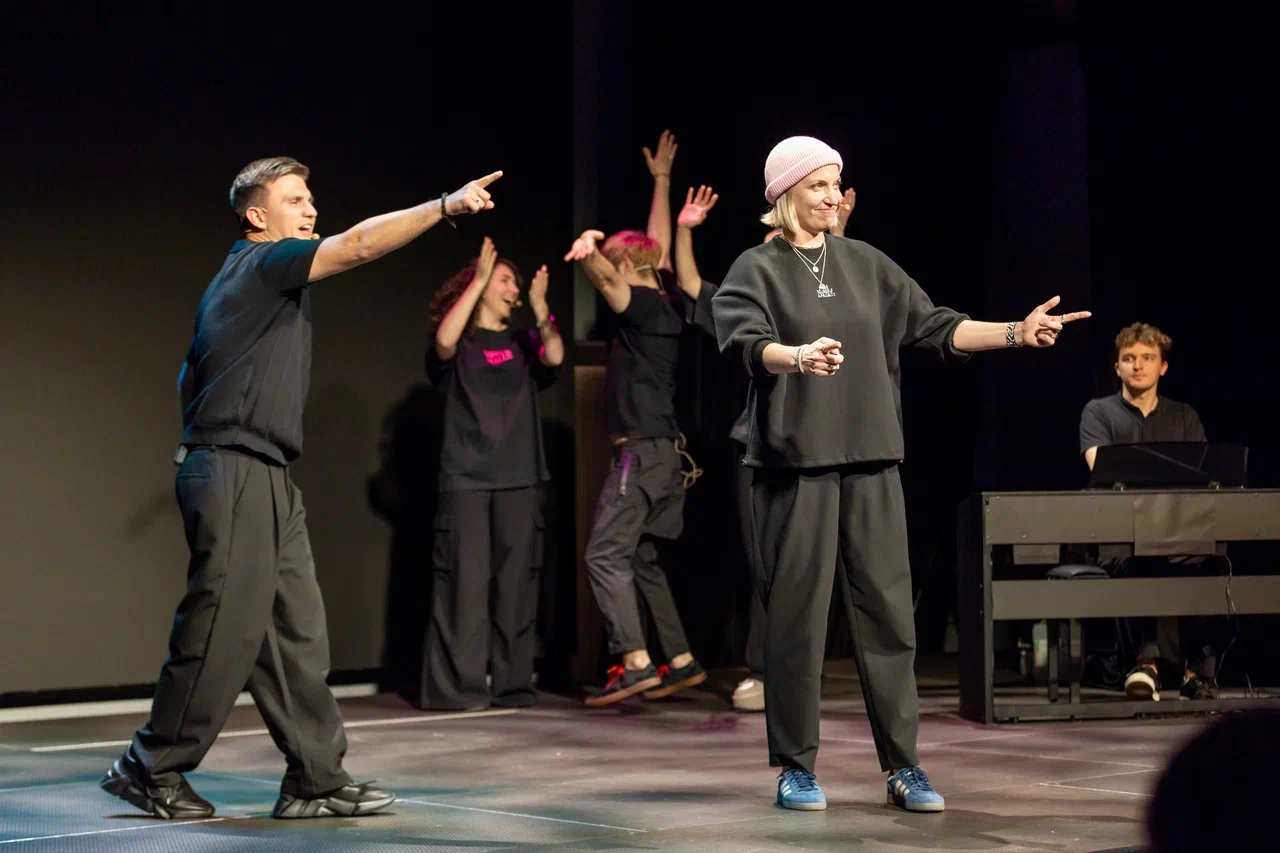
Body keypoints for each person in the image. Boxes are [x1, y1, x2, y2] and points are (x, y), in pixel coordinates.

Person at [101, 156, 501, 820]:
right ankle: (150, 767)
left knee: (294, 632)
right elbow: (359, 245)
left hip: (262, 470)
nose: (310, 208)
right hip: (235, 466)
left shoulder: (246, 283)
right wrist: (443, 206)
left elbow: (188, 374)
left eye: (311, 197)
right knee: (221, 628)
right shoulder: (264, 262)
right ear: (258, 216)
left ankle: (315, 777)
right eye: (294, 199)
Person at [713, 136, 1089, 812]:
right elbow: (744, 344)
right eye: (820, 185)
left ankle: (904, 765)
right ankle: (795, 766)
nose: (834, 196)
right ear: (785, 192)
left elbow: (936, 325)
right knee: (796, 621)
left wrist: (1015, 332)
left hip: (873, 460)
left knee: (888, 618)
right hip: (795, 466)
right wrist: (796, 356)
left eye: (838, 184)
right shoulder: (756, 267)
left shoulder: (865, 262)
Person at [673, 184, 856, 713]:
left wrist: (837, 225)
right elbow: (691, 285)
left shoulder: (828, 287)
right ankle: (763, 670)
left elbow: (842, 276)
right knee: (768, 561)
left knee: (818, 564)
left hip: (824, 441)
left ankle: (800, 669)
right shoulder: (749, 289)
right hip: (759, 442)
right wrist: (684, 230)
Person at [563, 130, 714, 706]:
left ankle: (634, 661)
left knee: (604, 554)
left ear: (627, 263)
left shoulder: (639, 305)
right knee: (642, 557)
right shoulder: (668, 302)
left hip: (642, 453)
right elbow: (656, 250)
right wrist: (662, 181)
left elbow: (608, 278)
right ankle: (680, 659)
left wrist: (589, 252)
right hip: (667, 458)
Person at [422, 237, 563, 709]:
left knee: (515, 586)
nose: (513, 289)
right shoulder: (460, 343)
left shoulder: (523, 343)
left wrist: (541, 309)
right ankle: (459, 690)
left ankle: (511, 685)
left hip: (519, 477)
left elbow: (555, 357)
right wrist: (479, 280)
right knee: (464, 585)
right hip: (466, 478)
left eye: (514, 283)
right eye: (505, 280)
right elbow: (443, 342)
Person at [1079, 322, 1217, 701]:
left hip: (1178, 528)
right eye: (1129, 358)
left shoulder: (1184, 416)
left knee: (1210, 559)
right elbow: (1102, 469)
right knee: (1143, 553)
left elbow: (1200, 478)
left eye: (1147, 357)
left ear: (1163, 366)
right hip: (1120, 531)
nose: (1138, 365)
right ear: (1117, 366)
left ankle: (1197, 673)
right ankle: (1146, 665)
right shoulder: (1098, 412)